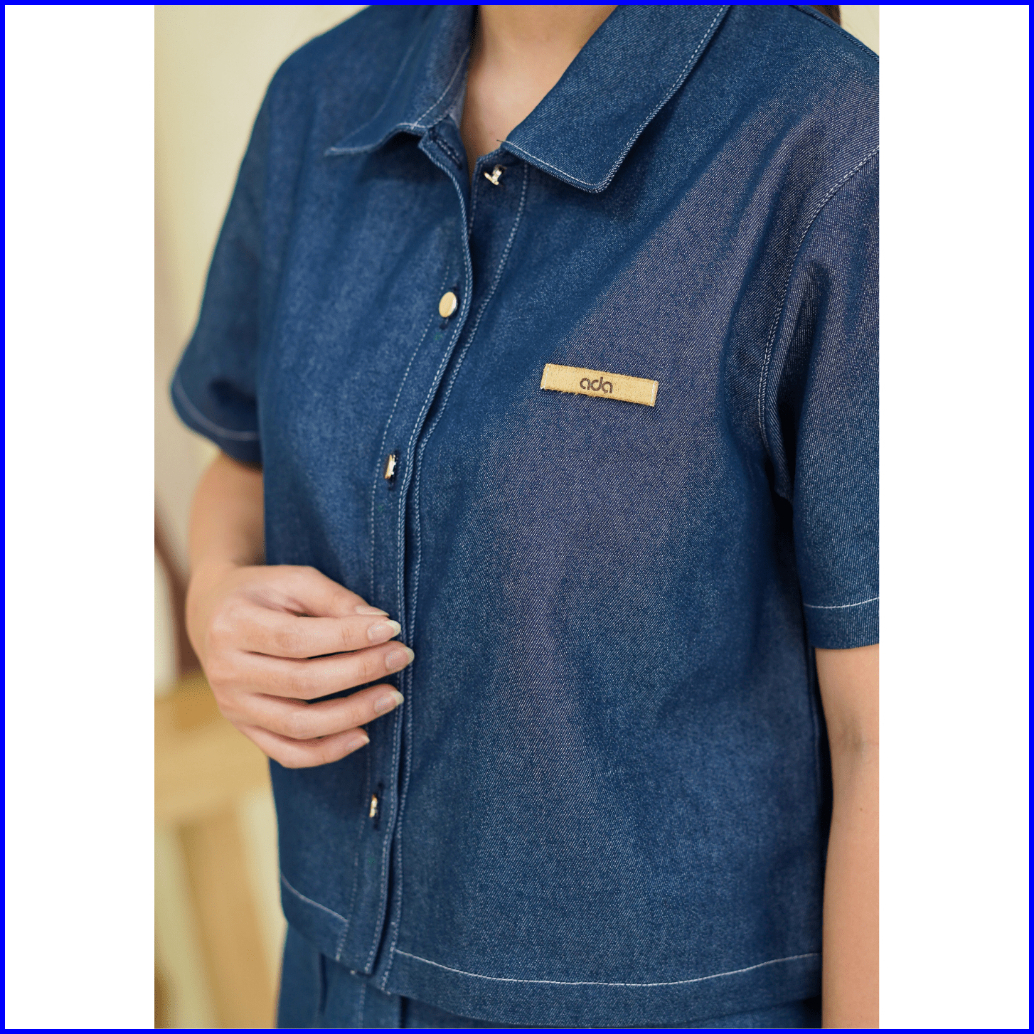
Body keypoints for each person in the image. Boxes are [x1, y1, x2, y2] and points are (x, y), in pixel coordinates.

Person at [172, 4, 878, 1028]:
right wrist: (215, 597)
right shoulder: (316, 99)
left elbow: (886, 739)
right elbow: (243, 454)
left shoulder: (835, 144)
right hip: (330, 984)